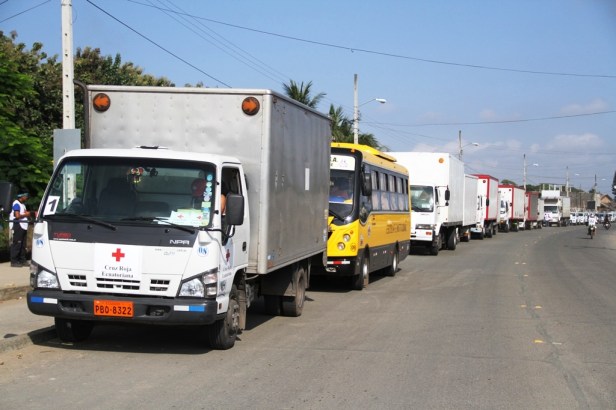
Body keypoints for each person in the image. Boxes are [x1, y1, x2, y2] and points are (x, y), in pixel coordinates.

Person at [9, 192, 36, 267]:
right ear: (21, 196)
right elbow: (17, 216)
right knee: (17, 243)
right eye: (26, 196)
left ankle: (22, 260)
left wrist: (30, 213)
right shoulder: (16, 204)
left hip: (23, 225)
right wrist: (26, 214)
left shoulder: (23, 205)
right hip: (18, 225)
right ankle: (14, 261)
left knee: (23, 244)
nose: (27, 197)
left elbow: (26, 213)